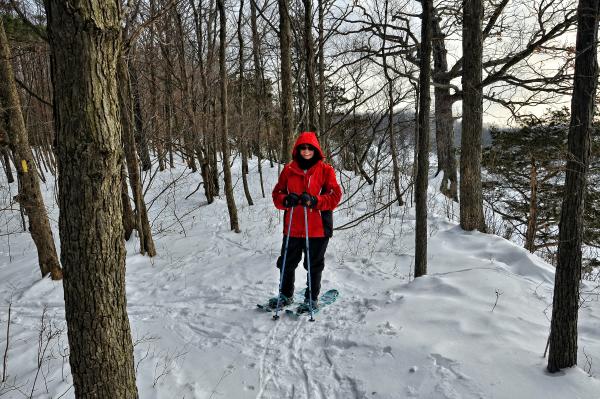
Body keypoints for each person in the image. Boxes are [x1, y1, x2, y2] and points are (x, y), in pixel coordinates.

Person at [270, 131, 342, 310]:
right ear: (298, 149)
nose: (307, 151)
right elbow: (277, 193)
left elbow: (335, 196)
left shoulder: (326, 170)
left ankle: (311, 298)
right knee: (286, 263)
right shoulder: (289, 170)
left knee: (313, 265)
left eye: (310, 147)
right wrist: (286, 200)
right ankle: (285, 295)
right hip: (293, 227)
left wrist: (315, 201)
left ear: (316, 149)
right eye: (303, 147)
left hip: (317, 228)